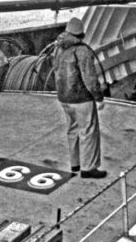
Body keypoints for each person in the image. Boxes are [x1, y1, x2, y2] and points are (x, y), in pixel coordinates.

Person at [53, 17, 107, 178]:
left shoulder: (57, 48)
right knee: (88, 131)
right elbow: (89, 78)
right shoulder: (82, 50)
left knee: (72, 130)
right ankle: (89, 168)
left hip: (64, 97)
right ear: (81, 32)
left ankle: (75, 163)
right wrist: (99, 97)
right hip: (81, 98)